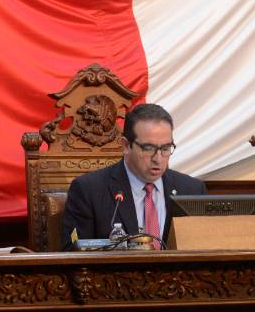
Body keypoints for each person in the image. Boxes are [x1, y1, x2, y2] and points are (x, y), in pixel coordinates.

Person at [60, 103, 206, 249]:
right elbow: (74, 254)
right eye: (148, 148)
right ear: (125, 146)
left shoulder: (192, 190)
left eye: (166, 148)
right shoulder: (89, 190)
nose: (158, 158)